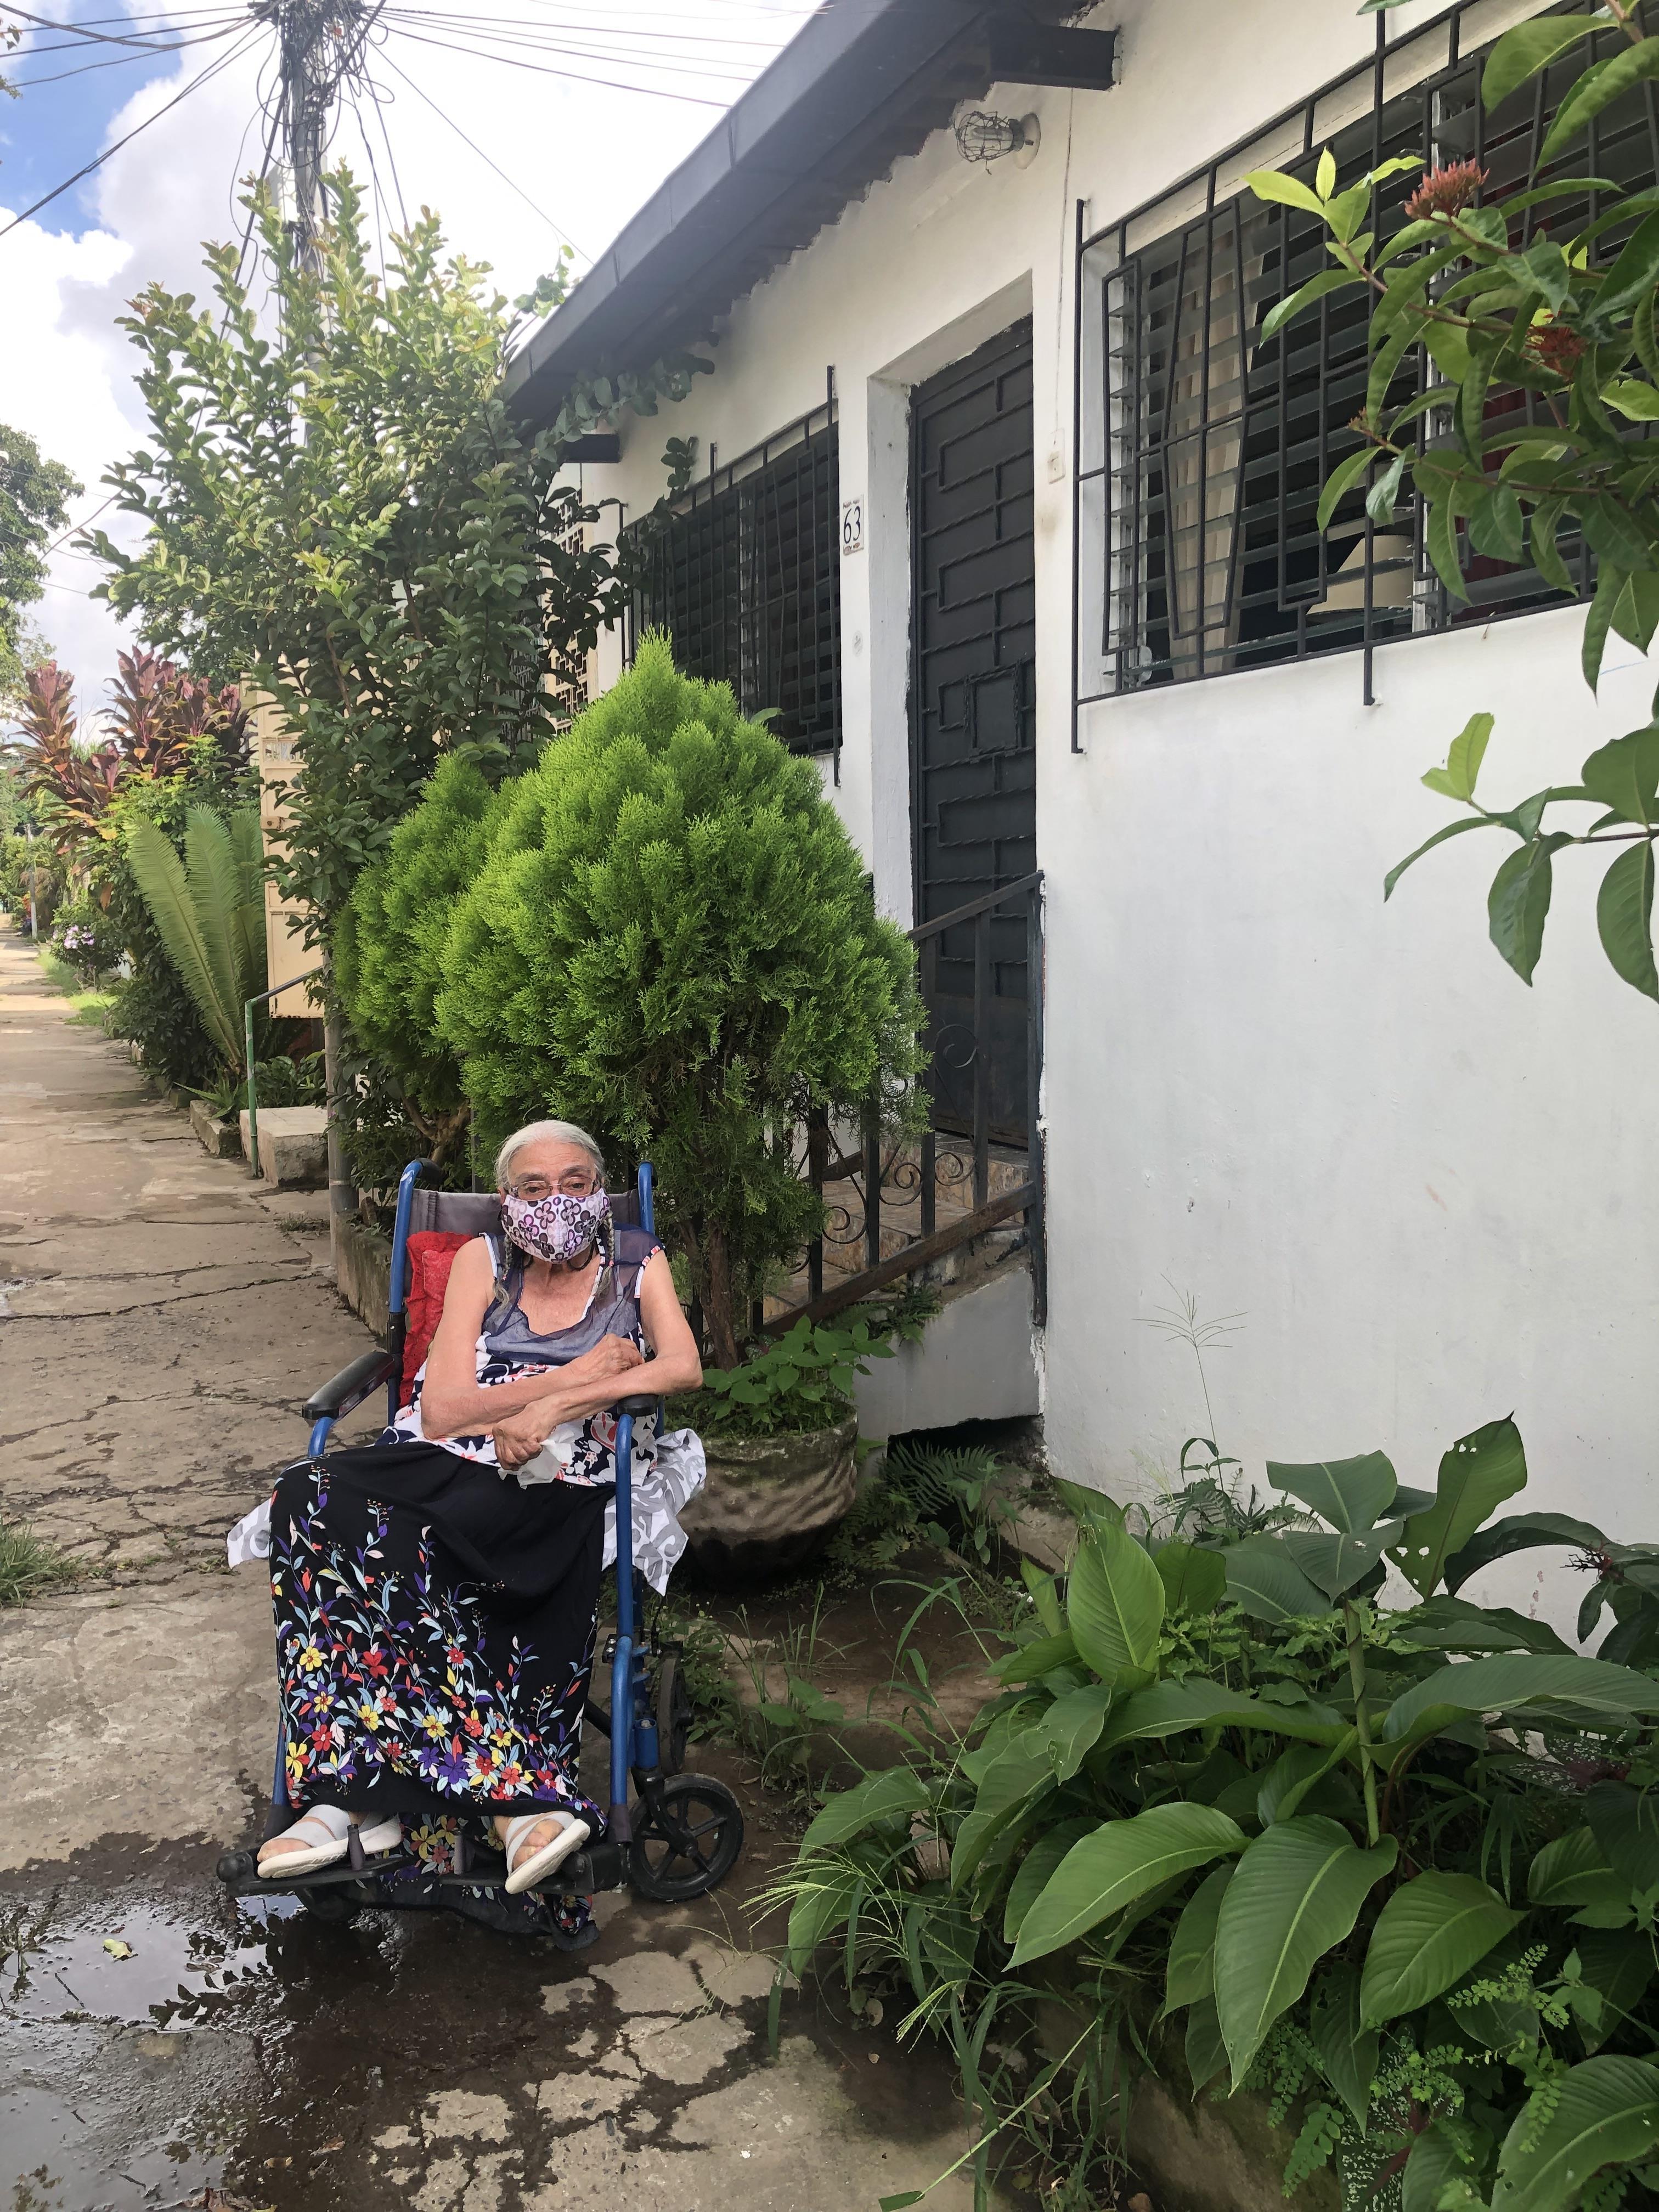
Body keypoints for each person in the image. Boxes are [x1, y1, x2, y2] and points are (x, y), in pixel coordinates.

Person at [256, 1118, 702, 1911]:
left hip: (565, 1469)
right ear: (506, 1201)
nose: (554, 1201)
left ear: (599, 1193)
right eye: (532, 1188)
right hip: (451, 1450)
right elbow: (445, 1410)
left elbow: (682, 1366)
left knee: (437, 1540)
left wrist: (569, 1399)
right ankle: (355, 1792)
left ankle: (511, 1802)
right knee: (308, 1496)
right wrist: (577, 1371)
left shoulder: (638, 1263)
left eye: (573, 1183)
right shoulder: (480, 1260)